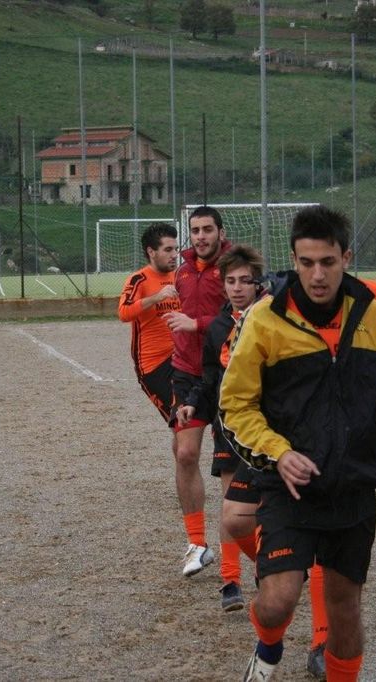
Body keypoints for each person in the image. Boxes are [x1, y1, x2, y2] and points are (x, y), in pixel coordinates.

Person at [219, 205, 376, 682]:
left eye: (328, 262)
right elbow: (234, 406)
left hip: (352, 484)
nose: (317, 275)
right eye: (306, 262)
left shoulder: (372, 312)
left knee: (345, 609)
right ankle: (269, 645)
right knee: (277, 601)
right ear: (293, 260)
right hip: (288, 485)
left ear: (346, 258)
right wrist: (279, 452)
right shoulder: (265, 318)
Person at [176, 245, 265, 611]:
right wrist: (193, 402)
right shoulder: (218, 327)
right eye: (231, 281)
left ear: (259, 283)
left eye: (245, 280)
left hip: (269, 428)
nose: (238, 287)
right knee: (232, 505)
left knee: (266, 506)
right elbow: (210, 377)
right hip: (229, 426)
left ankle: (271, 564)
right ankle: (231, 581)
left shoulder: (273, 319)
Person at [162, 206, 232, 577]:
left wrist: (196, 323)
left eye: (207, 229)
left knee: (234, 467)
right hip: (187, 374)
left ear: (221, 232)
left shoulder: (235, 267)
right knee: (185, 453)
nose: (201, 236)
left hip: (226, 375)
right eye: (195, 230)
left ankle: (242, 549)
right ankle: (197, 544)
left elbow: (244, 316)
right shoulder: (183, 269)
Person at [117, 223, 180, 422]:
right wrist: (156, 298)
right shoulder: (139, 280)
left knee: (194, 418)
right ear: (151, 252)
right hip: (154, 365)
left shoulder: (180, 277)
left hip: (183, 358)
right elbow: (124, 313)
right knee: (179, 421)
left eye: (176, 249)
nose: (174, 255)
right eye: (168, 250)